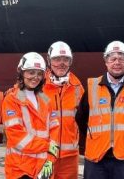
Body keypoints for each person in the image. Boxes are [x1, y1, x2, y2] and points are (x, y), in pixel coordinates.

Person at [77, 40, 124, 179]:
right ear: (106, 61)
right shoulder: (92, 87)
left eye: (121, 58)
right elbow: (80, 118)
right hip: (97, 157)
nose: (117, 62)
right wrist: (94, 137)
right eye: (113, 58)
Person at [2, 52, 59, 179]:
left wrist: (50, 161)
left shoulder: (45, 99)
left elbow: (55, 131)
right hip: (20, 170)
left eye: (39, 73)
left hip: (43, 168)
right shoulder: (12, 99)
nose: (36, 77)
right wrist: (47, 146)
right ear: (21, 73)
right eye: (31, 72)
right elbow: (17, 137)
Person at [43, 41, 84, 179]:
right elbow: (17, 98)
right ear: (49, 61)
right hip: (44, 154)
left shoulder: (78, 87)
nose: (61, 63)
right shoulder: (37, 84)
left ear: (70, 61)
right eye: (57, 59)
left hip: (69, 157)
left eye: (66, 59)